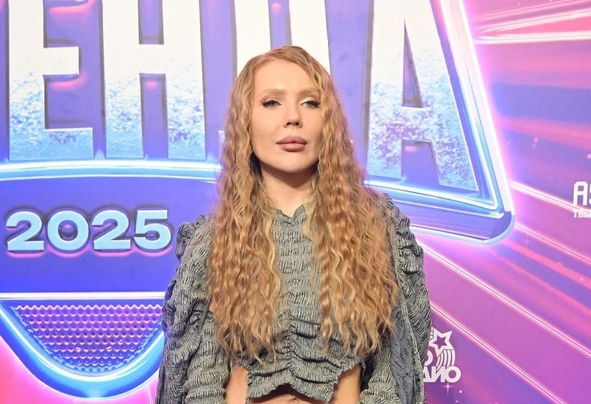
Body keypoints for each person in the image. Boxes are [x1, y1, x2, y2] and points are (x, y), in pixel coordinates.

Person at [156, 45, 430, 403]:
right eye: (271, 102)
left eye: (310, 102)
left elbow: (398, 364)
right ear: (245, 122)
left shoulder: (375, 228)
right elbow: (199, 376)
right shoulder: (217, 241)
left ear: (328, 120)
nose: (292, 118)